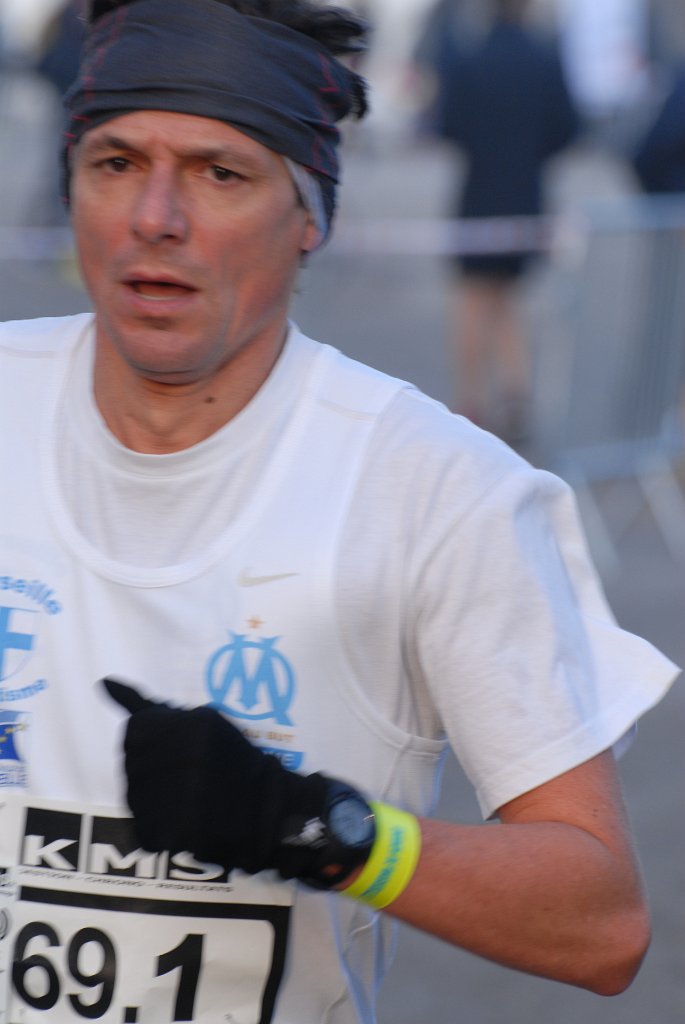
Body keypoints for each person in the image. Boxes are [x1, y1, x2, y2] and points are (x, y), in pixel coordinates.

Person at [0, 1, 678, 1022]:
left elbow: (599, 923)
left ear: (312, 213)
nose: (154, 216)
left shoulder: (433, 488)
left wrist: (314, 828)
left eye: (220, 173)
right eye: (116, 163)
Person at [423, 0, 580, 442]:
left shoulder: (471, 59)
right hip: (525, 194)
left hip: (479, 193)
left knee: (474, 298)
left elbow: (447, 124)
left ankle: (473, 401)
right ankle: (515, 395)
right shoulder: (545, 61)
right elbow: (569, 126)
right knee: (509, 297)